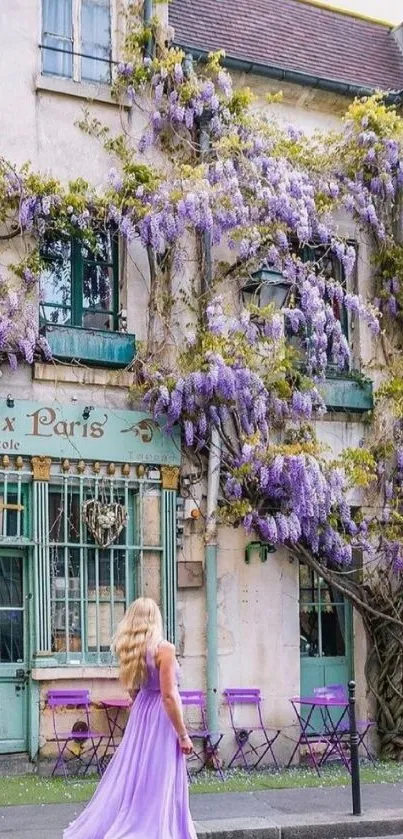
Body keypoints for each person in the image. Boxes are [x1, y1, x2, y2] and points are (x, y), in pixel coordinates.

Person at [63, 597, 197, 839]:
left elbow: (134, 690)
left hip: (142, 712)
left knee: (135, 771)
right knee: (159, 773)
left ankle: (133, 818)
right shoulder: (164, 649)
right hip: (160, 714)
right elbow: (168, 695)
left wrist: (143, 712)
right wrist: (183, 734)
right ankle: (157, 828)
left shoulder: (131, 649)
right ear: (155, 618)